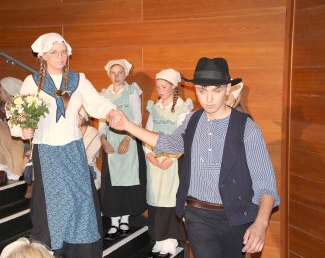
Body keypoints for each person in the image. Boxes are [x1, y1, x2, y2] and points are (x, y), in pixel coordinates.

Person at [107, 57, 280, 258]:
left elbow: (265, 183)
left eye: (216, 90)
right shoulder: (192, 120)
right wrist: (128, 125)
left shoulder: (246, 128)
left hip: (236, 216)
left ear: (227, 89)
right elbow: (169, 143)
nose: (208, 99)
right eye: (202, 90)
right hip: (198, 215)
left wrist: (261, 223)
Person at [9, 32, 115, 258]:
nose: (60, 57)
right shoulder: (32, 82)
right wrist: (22, 129)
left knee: (81, 199)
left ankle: (82, 248)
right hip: (46, 149)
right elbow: (20, 115)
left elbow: (97, 103)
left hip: (73, 148)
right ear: (44, 56)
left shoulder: (78, 80)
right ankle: (52, 248)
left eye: (63, 52)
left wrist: (112, 111)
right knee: (52, 203)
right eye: (54, 53)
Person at [144, 69, 191, 257]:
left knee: (170, 200)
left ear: (174, 86)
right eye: (158, 86)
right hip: (155, 161)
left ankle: (171, 240)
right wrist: (149, 154)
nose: (160, 90)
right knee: (156, 199)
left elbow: (184, 137)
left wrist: (171, 159)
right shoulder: (154, 107)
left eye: (164, 87)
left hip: (172, 162)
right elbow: (147, 131)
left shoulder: (182, 107)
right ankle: (159, 238)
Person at [99, 59, 146, 241]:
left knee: (128, 181)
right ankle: (113, 221)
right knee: (111, 183)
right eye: (113, 72)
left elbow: (136, 118)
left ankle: (125, 218)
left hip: (129, 141)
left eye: (120, 72)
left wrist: (128, 139)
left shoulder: (132, 91)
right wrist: (103, 140)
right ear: (109, 74)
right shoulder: (104, 95)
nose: (116, 76)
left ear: (125, 74)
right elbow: (101, 120)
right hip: (110, 141)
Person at [79, 107, 102, 190]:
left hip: (89, 178)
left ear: (82, 117)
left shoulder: (93, 133)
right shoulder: (71, 133)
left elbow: (87, 159)